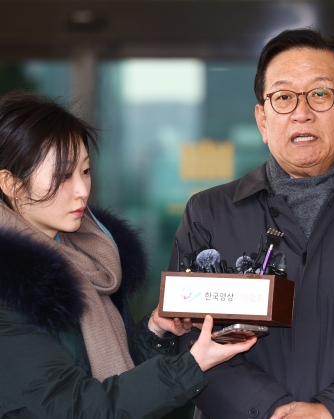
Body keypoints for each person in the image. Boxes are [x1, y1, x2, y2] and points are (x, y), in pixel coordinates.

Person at [170, 29, 334, 419]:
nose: (301, 112)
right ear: (262, 121)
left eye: (320, 94)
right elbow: (188, 336)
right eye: (283, 97)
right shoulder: (208, 213)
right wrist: (271, 410)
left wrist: (333, 411)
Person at [0, 92, 256, 418]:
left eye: (85, 171)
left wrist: (152, 332)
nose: (81, 189)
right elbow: (72, 407)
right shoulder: (10, 285)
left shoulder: (86, 255)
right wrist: (192, 365)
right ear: (11, 184)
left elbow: (100, 368)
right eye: (62, 176)